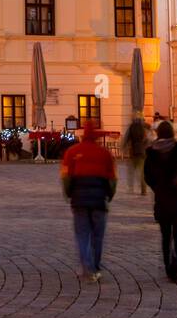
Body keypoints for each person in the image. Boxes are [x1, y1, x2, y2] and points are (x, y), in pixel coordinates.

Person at [61, 121, 117, 281]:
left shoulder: (72, 152)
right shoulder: (104, 153)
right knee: (97, 236)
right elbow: (113, 179)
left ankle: (86, 265)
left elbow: (66, 177)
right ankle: (95, 265)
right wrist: (110, 195)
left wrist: (69, 194)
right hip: (99, 201)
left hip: (79, 200)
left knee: (82, 234)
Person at [144, 120, 177, 282]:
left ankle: (168, 266)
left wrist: (158, 188)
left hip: (162, 200)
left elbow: (148, 177)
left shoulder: (152, 153)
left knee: (165, 236)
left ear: (158, 133)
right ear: (172, 133)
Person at [120, 115, 148, 195]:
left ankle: (130, 188)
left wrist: (123, 147)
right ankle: (143, 190)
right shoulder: (143, 128)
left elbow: (126, 138)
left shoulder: (131, 127)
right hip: (142, 152)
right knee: (142, 172)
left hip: (133, 152)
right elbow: (147, 139)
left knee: (131, 171)